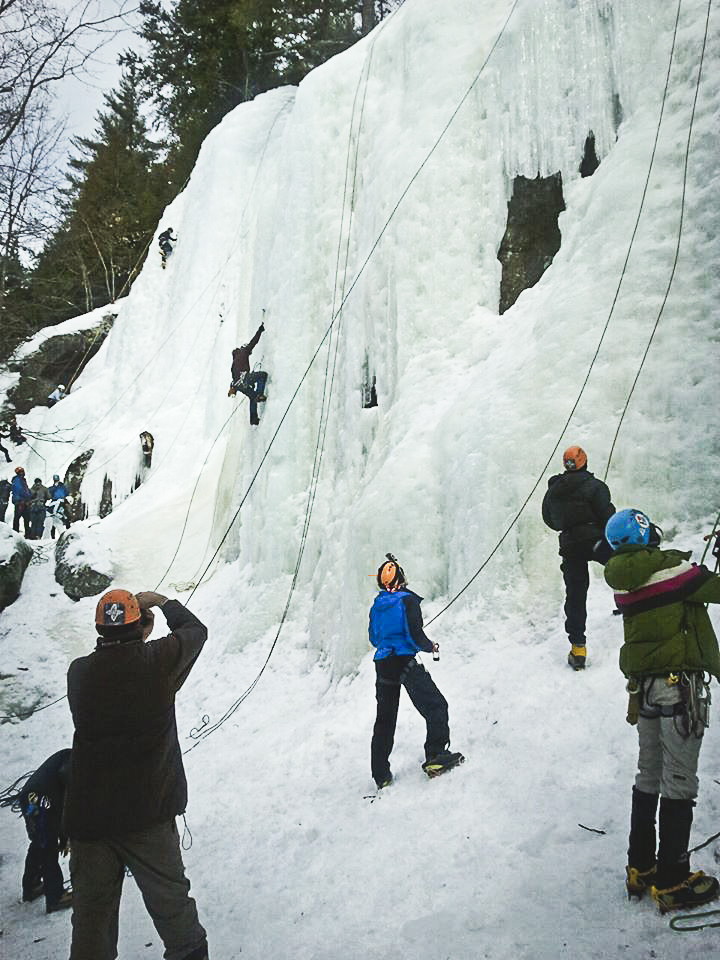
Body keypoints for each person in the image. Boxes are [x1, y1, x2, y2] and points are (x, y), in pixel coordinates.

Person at [65, 588, 209, 960]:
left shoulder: (79, 674)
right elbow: (195, 630)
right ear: (140, 625)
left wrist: (137, 635)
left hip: (89, 821)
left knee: (91, 929)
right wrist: (161, 602)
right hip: (147, 815)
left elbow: (118, 666)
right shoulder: (156, 664)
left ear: (100, 628)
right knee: (176, 917)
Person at [604, 508, 720, 912]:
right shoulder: (672, 571)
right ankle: (673, 878)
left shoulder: (625, 578)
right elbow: (711, 587)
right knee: (679, 779)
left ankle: (641, 866)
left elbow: (682, 586)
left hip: (646, 690)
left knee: (649, 773)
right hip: (679, 690)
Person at [369, 553, 464, 788]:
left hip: (383, 664)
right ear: (401, 577)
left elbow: (373, 637)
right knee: (435, 705)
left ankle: (381, 775)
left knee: (385, 720)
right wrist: (429, 646)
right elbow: (415, 634)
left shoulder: (377, 605)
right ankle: (435, 756)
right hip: (404, 662)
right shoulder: (407, 600)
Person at [541, 445, 615, 670]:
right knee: (621, 562)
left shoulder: (553, 490)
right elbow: (609, 519)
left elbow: (549, 520)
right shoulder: (595, 487)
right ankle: (629, 602)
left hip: (571, 544)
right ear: (584, 461)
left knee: (575, 593)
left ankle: (578, 649)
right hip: (595, 540)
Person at [18, 748, 73, 914]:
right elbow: (66, 802)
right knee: (48, 848)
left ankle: (32, 886)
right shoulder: (73, 762)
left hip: (32, 798)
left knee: (39, 844)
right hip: (42, 802)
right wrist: (65, 837)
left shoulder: (67, 755)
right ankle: (55, 897)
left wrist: (63, 838)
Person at [229, 323, 267, 426]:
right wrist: (260, 330)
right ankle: (259, 394)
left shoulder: (233, 364)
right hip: (245, 379)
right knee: (262, 375)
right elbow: (253, 342)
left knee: (252, 397)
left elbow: (234, 380)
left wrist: (233, 389)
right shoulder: (244, 351)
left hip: (239, 385)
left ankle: (253, 419)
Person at [11, 466, 32, 537]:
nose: (22, 473)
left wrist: (29, 495)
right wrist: (20, 499)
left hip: (24, 501)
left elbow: (25, 490)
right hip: (20, 502)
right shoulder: (17, 480)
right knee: (18, 518)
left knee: (26, 518)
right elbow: (18, 490)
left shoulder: (22, 480)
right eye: (21, 472)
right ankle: (16, 533)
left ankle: (26, 533)